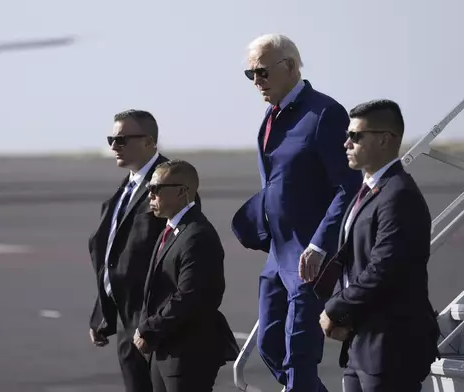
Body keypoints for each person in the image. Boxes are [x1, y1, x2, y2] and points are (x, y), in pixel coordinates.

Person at [231, 33, 362, 391]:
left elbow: (347, 187)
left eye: (261, 73)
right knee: (269, 345)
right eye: (250, 75)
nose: (256, 82)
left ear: (289, 67)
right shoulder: (271, 115)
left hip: (309, 257)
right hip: (278, 254)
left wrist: (321, 245)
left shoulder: (324, 113)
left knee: (299, 353)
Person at [318, 99, 440, 391]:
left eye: (356, 136)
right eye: (347, 135)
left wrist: (335, 307)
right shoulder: (369, 192)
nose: (347, 143)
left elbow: (385, 268)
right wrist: (342, 314)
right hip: (361, 341)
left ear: (385, 139)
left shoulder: (399, 195)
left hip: (392, 347)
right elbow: (350, 262)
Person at [134, 159, 239, 392]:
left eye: (155, 189)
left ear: (182, 192)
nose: (149, 195)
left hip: (187, 354)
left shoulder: (196, 235)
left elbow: (191, 296)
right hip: (165, 350)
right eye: (148, 188)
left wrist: (150, 328)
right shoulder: (172, 231)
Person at [88, 109, 169, 392]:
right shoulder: (126, 189)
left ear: (149, 142)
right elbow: (112, 257)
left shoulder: (172, 183)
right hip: (126, 320)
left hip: (157, 323)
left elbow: (181, 257)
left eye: (122, 140)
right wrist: (103, 312)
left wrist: (156, 322)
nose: (113, 147)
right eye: (111, 139)